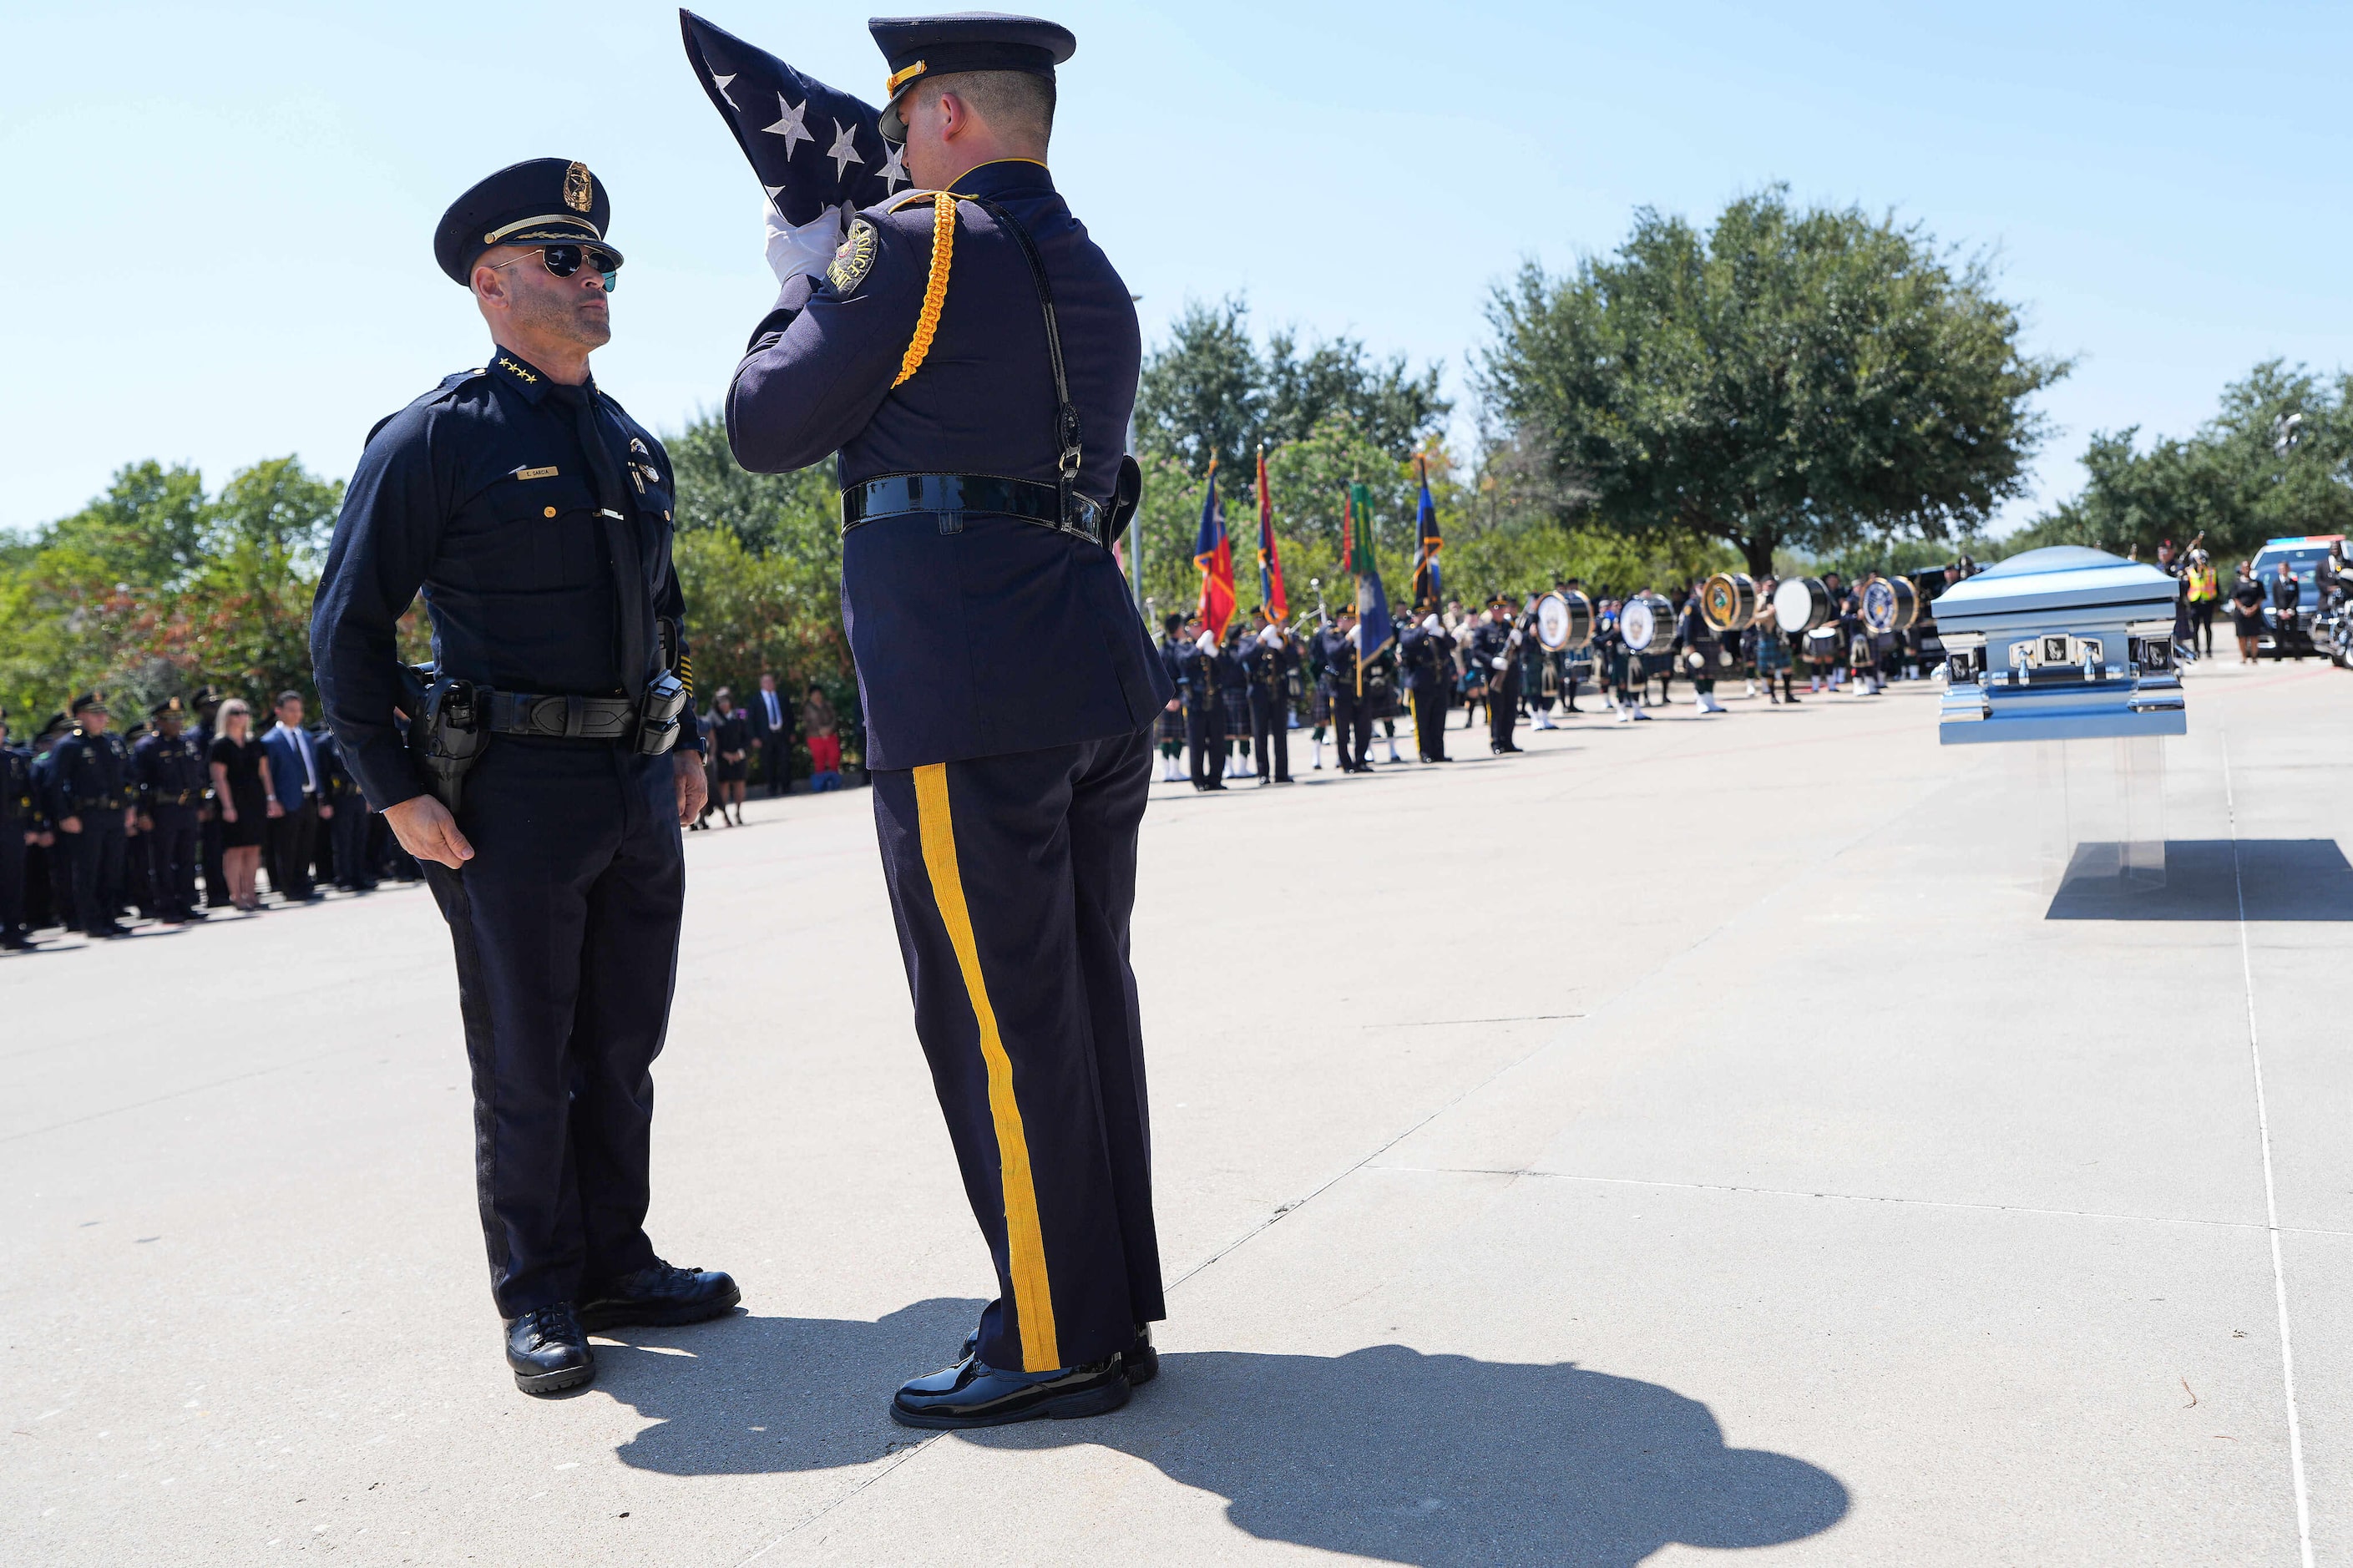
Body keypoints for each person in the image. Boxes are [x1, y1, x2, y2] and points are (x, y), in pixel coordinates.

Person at [726, 13, 1171, 1427]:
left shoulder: (915, 244)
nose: (887, 143)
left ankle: (1050, 1329)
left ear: (952, 123)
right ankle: (1107, 1304)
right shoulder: (1091, 267)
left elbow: (765, 420)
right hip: (1086, 668)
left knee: (994, 1017)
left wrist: (801, 281)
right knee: (1082, 997)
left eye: (902, 117)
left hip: (968, 685)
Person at [311, 157, 735, 1398]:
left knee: (621, 1040)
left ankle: (617, 1258)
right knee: (526, 1051)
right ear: (491, 284)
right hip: (510, 795)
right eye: (566, 260)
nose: (594, 277)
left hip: (633, 785)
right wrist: (394, 786)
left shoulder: (632, 444)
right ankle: (540, 1290)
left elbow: (661, 610)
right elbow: (347, 627)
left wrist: (689, 736)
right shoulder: (436, 439)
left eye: (602, 261)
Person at [43, 694, 137, 939]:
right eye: (96, 714)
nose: (102, 718)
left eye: (103, 713)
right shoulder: (69, 746)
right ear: (81, 716)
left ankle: (109, 916)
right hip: (87, 815)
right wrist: (65, 815)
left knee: (112, 868)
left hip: (114, 813)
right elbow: (54, 784)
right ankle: (91, 921)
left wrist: (129, 808)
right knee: (89, 871)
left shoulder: (113, 743)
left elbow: (127, 779)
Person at [133, 697, 209, 924]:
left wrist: (202, 804)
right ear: (159, 721)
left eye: (179, 718)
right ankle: (166, 907)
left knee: (186, 859)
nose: (176, 723)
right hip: (162, 810)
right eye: (170, 719)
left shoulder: (187, 743)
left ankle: (186, 903)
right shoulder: (148, 747)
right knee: (163, 861)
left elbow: (199, 777)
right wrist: (142, 813)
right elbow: (137, 784)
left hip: (187, 808)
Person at [259, 690, 327, 903]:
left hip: (309, 798)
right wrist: (272, 799)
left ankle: (303, 881)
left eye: (299, 709)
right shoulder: (270, 741)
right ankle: (289, 887)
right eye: (291, 710)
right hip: (286, 800)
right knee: (287, 846)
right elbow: (267, 773)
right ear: (279, 711)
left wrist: (321, 797)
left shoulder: (306, 736)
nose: (297, 714)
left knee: (306, 843)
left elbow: (314, 768)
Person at [206, 699, 275, 912]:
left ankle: (251, 893)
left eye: (244, 711)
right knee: (235, 850)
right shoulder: (220, 745)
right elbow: (219, 778)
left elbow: (265, 773)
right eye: (236, 712)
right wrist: (228, 806)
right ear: (226, 716)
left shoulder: (256, 743)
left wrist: (271, 799)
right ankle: (236, 895)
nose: (241, 716)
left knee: (254, 848)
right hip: (233, 801)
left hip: (255, 800)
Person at [1238, 610, 1298, 784]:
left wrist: (1281, 646)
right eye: (1258, 618)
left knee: (1280, 733)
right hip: (1258, 689)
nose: (1261, 622)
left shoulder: (1281, 638)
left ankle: (1282, 772)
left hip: (1278, 688)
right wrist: (1261, 642)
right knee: (1260, 733)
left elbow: (1294, 659)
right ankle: (1262, 772)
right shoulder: (1248, 639)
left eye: (1264, 618)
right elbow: (1244, 658)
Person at [316, 726, 377, 893]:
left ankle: (359, 875)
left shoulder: (352, 738)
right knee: (343, 840)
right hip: (339, 797)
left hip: (358, 795)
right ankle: (344, 878)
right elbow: (321, 774)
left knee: (360, 837)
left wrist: (369, 797)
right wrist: (325, 802)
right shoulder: (325, 743)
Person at [2, 708, 37, 951]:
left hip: (11, 828)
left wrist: (34, 825)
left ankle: (12, 930)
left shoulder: (12, 759)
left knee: (13, 881)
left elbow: (29, 795)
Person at [1470, 595, 1525, 753]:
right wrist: (1492, 661)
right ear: (1490, 610)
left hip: (1511, 673)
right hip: (1494, 675)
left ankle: (1508, 741)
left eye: (1502, 607)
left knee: (1511, 708)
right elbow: (1477, 651)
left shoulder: (1511, 628)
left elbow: (1522, 651)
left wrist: (1520, 642)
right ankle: (1496, 741)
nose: (1500, 611)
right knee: (1497, 709)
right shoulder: (1484, 629)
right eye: (1496, 608)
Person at [1177, 625, 1227, 791]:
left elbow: (1228, 668)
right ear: (1188, 628)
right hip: (1195, 701)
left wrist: (1215, 653)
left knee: (1217, 742)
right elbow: (1183, 662)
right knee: (1196, 743)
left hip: (1215, 699)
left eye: (1200, 624)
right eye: (1194, 625)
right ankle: (1198, 779)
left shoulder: (1213, 644)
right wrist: (1199, 647)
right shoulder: (1184, 646)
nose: (1198, 628)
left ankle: (1215, 779)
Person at [1399, 612, 1452, 762]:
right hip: (1420, 682)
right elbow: (1407, 643)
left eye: (1426, 614)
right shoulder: (1409, 631)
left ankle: (1438, 752)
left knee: (1438, 719)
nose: (1423, 617)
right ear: (1413, 617)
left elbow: (1452, 644)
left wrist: (1442, 634)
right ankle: (1425, 753)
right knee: (1422, 721)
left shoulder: (1436, 630)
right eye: (1420, 615)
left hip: (1439, 680)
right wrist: (1424, 629)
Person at [746, 672, 796, 797]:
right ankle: (772, 788)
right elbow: (751, 720)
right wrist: (754, 737)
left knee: (785, 761)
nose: (768, 684)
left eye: (770, 681)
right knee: (768, 763)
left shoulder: (782, 697)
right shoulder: (755, 699)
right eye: (765, 682)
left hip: (781, 734)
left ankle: (786, 787)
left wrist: (791, 732)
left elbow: (790, 716)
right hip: (765, 737)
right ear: (761, 684)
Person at [1153, 612, 1189, 782]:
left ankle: (1170, 770)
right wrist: (1176, 697)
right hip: (1172, 697)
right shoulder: (1177, 648)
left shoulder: (1162, 649)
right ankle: (1171, 770)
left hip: (1166, 698)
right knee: (1173, 735)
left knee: (1168, 735)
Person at [706, 687, 750, 826]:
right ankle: (725, 815)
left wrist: (740, 753)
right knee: (723, 786)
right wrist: (724, 754)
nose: (723, 704)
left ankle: (738, 812)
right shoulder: (712, 716)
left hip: (739, 755)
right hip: (722, 757)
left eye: (726, 700)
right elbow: (711, 739)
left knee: (740, 783)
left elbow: (747, 736)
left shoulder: (740, 714)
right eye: (720, 701)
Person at [802, 681, 844, 791]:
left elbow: (835, 718)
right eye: (815, 694)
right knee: (819, 760)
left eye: (819, 693)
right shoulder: (807, 708)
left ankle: (835, 782)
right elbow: (807, 723)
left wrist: (829, 729)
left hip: (830, 735)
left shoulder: (828, 705)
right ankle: (820, 785)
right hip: (815, 737)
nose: (817, 696)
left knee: (834, 756)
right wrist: (820, 731)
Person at [2229, 562, 2266, 662]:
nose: (2247, 570)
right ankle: (2244, 657)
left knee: (2254, 635)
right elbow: (2234, 597)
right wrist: (2243, 609)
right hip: (2241, 614)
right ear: (2241, 569)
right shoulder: (2236, 583)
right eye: (2245, 568)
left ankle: (2254, 657)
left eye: (2248, 568)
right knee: (2242, 636)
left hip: (2254, 613)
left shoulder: (2257, 583)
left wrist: (2253, 608)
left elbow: (2261, 597)